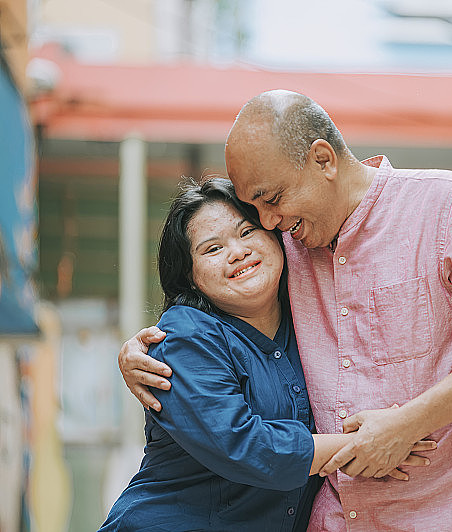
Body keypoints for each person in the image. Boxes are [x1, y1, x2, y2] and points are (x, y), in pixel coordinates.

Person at [119, 90, 452, 532]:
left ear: (323, 160)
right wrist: (143, 349)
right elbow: (220, 311)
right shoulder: (286, 242)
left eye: (272, 198)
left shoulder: (451, 204)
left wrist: (409, 424)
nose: (266, 223)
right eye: (255, 209)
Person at [101, 178, 433, 531]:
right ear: (190, 276)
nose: (238, 252)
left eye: (247, 231)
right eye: (212, 249)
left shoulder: (311, 323)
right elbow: (246, 446)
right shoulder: (185, 337)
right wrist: (364, 446)